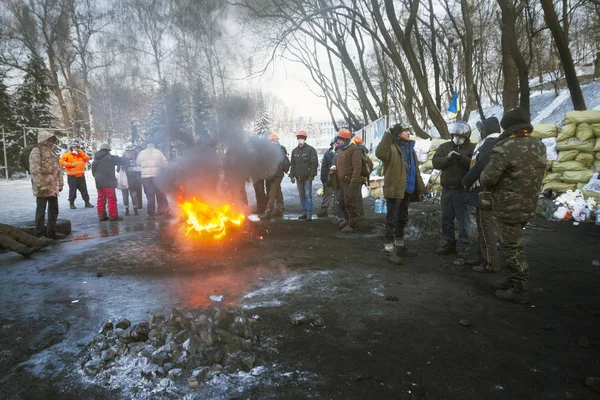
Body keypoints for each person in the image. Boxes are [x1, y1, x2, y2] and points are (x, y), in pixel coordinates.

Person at [481, 107, 546, 304]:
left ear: (507, 126)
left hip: (508, 205)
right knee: (513, 242)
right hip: (529, 203)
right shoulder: (538, 145)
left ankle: (519, 288)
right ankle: (511, 280)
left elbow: (488, 178)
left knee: (512, 246)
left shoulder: (505, 148)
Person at [375, 122, 426, 264]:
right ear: (398, 134)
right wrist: (388, 133)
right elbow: (379, 153)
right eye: (405, 131)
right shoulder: (391, 148)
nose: (409, 133)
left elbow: (415, 170)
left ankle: (400, 245)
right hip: (395, 188)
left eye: (409, 131)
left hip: (407, 188)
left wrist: (420, 188)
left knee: (402, 218)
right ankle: (389, 248)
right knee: (391, 219)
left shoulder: (411, 149)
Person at [462, 117, 501, 273]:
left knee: (485, 227)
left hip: (484, 192)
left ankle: (491, 263)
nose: (480, 133)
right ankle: (483, 257)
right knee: (483, 226)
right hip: (485, 191)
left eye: (481, 129)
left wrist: (466, 180)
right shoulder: (493, 143)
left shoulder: (490, 144)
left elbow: (480, 164)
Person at [432, 121, 476, 259]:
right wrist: (448, 158)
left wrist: (460, 158)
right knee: (446, 219)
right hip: (446, 190)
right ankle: (448, 242)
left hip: (462, 190)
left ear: (466, 136)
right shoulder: (445, 147)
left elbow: (474, 165)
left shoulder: (472, 148)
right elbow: (436, 162)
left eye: (460, 136)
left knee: (464, 221)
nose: (457, 138)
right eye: (455, 135)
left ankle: (464, 246)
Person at [29, 131, 65, 239]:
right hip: (42, 186)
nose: (51, 142)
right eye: (49, 140)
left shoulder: (52, 152)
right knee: (41, 210)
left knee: (54, 209)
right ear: (43, 140)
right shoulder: (37, 151)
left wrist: (60, 183)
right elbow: (35, 170)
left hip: (52, 186)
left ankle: (51, 231)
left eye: (52, 140)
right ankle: (39, 234)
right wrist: (40, 185)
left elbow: (58, 169)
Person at [335, 128, 362, 232]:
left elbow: (357, 168)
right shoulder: (341, 150)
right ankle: (347, 219)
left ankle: (353, 224)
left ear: (345, 140)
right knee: (342, 202)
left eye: (340, 139)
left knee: (350, 203)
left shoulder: (354, 150)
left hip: (350, 182)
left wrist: (353, 184)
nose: (338, 141)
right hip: (342, 182)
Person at [92, 144, 127, 222]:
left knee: (101, 198)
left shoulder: (96, 159)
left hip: (99, 182)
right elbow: (121, 160)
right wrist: (125, 157)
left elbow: (93, 171)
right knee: (111, 199)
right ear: (108, 150)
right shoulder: (109, 157)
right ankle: (113, 216)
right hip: (108, 181)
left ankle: (101, 215)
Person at [136, 141, 171, 219]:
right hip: (157, 176)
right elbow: (165, 164)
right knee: (161, 194)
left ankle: (151, 212)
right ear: (153, 145)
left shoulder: (142, 153)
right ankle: (163, 210)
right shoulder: (158, 152)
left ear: (147, 146)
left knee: (150, 195)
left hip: (146, 178)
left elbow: (137, 163)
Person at [289, 130, 318, 221]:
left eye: (301, 138)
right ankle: (304, 212)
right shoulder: (294, 151)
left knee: (308, 195)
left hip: (307, 177)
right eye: (298, 138)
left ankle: (309, 213)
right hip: (298, 177)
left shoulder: (311, 150)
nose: (300, 140)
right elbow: (293, 164)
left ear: (305, 139)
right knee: (301, 195)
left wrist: (312, 175)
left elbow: (314, 163)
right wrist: (292, 175)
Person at [260, 134, 290, 220]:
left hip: (273, 174)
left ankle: (268, 211)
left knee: (272, 193)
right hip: (278, 174)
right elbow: (286, 162)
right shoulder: (282, 148)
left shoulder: (270, 149)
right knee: (277, 190)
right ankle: (279, 209)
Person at [60, 140, 93, 209]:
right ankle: (71, 203)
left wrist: (81, 152)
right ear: (71, 148)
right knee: (72, 191)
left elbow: (87, 159)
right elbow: (61, 162)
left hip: (81, 176)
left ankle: (87, 202)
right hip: (72, 177)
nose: (75, 148)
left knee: (84, 190)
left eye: (76, 147)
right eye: (73, 147)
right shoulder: (67, 155)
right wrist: (69, 164)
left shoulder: (81, 155)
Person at [120, 145, 143, 216]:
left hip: (128, 181)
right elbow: (139, 170)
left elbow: (139, 170)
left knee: (129, 195)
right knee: (131, 195)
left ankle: (131, 210)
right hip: (131, 181)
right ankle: (131, 210)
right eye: (128, 153)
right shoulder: (134, 160)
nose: (129, 154)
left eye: (130, 153)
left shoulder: (124, 160)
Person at [317, 139, 336, 218]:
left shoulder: (342, 152)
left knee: (339, 195)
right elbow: (324, 167)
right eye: (334, 144)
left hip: (339, 178)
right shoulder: (327, 154)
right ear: (331, 144)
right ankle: (324, 209)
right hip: (330, 178)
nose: (336, 145)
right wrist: (323, 179)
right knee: (328, 194)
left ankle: (337, 210)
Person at [351, 135, 369, 220]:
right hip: (363, 176)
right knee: (358, 196)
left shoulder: (356, 151)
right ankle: (361, 213)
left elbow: (357, 166)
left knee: (356, 196)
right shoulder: (364, 151)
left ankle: (358, 215)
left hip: (358, 176)